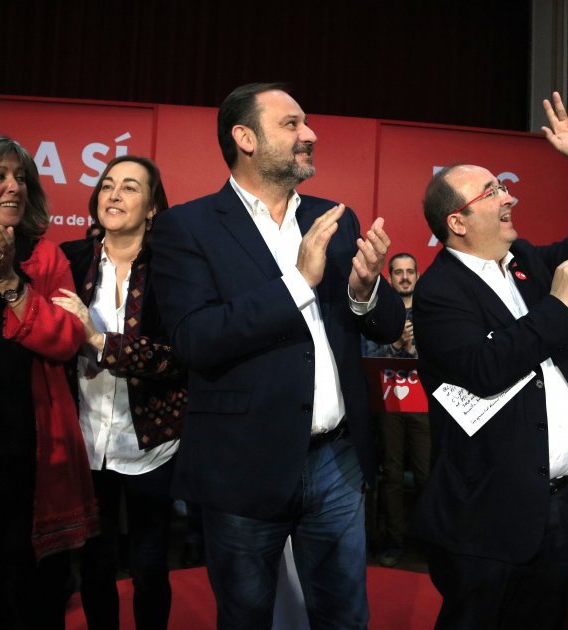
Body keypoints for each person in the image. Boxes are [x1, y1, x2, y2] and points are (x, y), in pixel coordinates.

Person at [150, 82, 406, 629]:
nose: (309, 134)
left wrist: (365, 290)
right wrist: (297, 283)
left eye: (305, 123)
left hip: (336, 460)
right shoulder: (186, 227)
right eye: (291, 124)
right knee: (246, 616)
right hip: (244, 464)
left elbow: (386, 325)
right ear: (245, 138)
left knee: (345, 616)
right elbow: (194, 338)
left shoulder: (334, 218)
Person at [411, 92, 568, 629]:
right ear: (458, 221)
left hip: (555, 505)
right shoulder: (439, 292)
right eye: (492, 191)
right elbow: (485, 369)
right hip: (486, 516)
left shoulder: (525, 262)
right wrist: (558, 305)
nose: (508, 196)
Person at [0, 135, 99, 629]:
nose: (14, 187)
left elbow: (65, 340)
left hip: (27, 449)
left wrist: (8, 283)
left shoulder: (44, 257)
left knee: (27, 586)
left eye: (21, 178)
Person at [54, 155, 187, 630]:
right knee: (95, 564)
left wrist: (97, 340)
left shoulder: (173, 270)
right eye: (107, 184)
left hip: (151, 444)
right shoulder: (69, 259)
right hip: (85, 439)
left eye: (130, 187)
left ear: (152, 207)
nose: (113, 194)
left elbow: (177, 357)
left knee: (150, 566)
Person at [364, 253, 430, 567]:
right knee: (390, 474)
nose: (404, 277)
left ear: (417, 275)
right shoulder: (379, 312)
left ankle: (430, 542)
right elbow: (366, 353)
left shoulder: (430, 312)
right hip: (388, 402)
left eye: (410, 272)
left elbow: (442, 355)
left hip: (424, 404)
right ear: (389, 277)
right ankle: (394, 541)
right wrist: (395, 345)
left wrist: (414, 348)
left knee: (426, 474)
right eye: (398, 272)